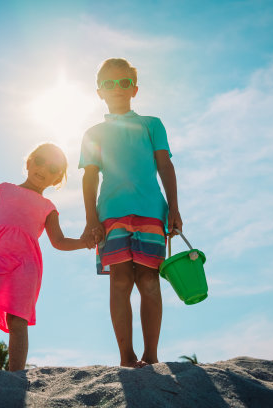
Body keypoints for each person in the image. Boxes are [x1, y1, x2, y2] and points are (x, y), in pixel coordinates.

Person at [79, 58, 183, 368]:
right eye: (109, 84)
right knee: (120, 282)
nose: (117, 89)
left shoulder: (152, 124)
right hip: (110, 214)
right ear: (99, 91)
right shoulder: (93, 132)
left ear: (134, 88)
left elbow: (165, 165)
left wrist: (174, 208)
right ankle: (126, 356)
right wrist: (90, 219)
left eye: (124, 82)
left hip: (152, 211)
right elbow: (89, 177)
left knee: (149, 281)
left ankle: (151, 355)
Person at [0, 143, 88, 377]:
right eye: (40, 160)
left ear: (57, 179)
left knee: (17, 320)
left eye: (53, 167)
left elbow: (59, 241)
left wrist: (85, 242)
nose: (44, 168)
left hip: (25, 265)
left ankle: (15, 377)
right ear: (29, 162)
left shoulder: (49, 207)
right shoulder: (4, 189)